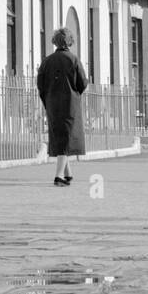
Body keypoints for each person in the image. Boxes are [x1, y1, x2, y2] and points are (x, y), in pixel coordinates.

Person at [36, 27, 88, 186]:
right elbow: (83, 83)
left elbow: (40, 84)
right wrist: (74, 92)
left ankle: (68, 173)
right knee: (67, 137)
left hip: (52, 103)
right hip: (69, 103)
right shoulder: (73, 59)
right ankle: (59, 176)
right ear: (70, 42)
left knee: (59, 136)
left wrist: (48, 98)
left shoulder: (46, 61)